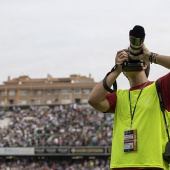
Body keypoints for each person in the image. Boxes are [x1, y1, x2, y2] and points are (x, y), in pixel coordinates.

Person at [88, 26, 170, 170]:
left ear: (145, 65)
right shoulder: (120, 96)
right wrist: (116, 70)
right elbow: (93, 100)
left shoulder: (159, 87)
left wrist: (150, 56)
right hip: (121, 165)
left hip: (152, 165)